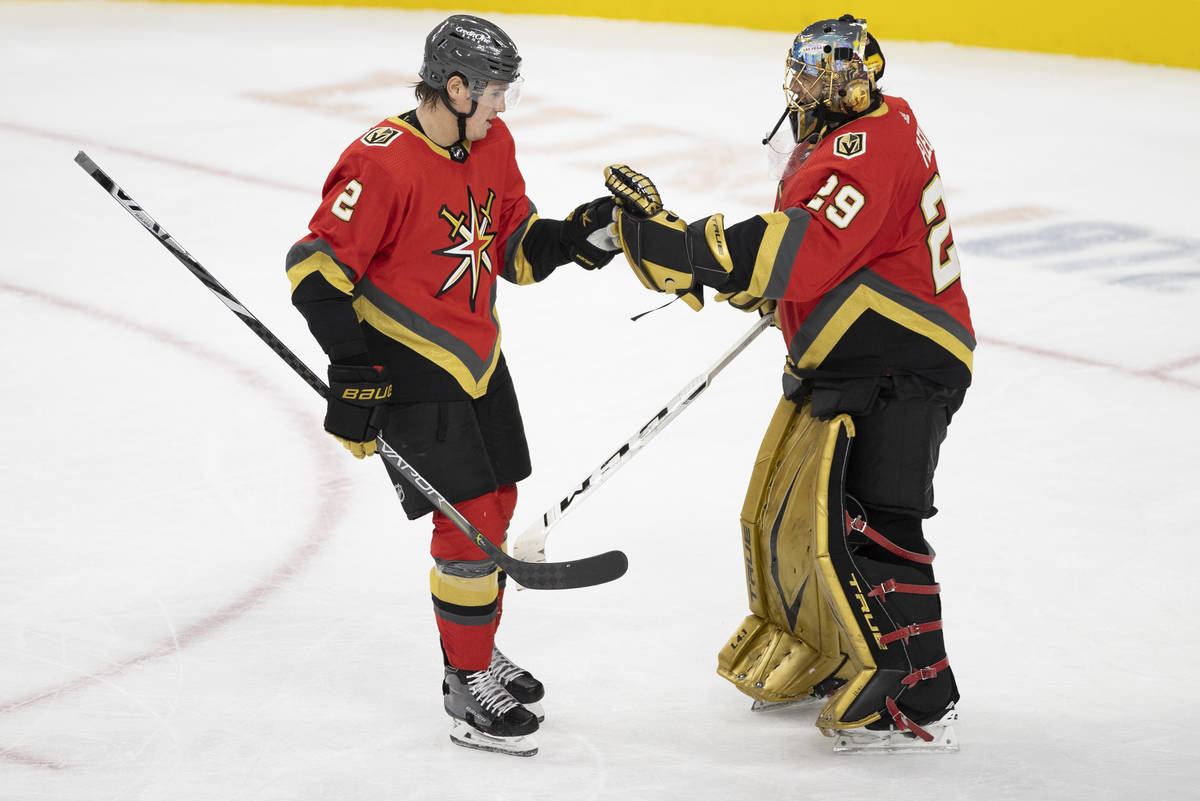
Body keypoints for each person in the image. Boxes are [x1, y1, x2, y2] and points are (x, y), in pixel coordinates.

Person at [604, 15, 973, 750]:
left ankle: (917, 686)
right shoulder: (861, 133)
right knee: (815, 520)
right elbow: (796, 271)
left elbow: (799, 251)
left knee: (881, 524)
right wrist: (694, 259)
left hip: (904, 355)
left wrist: (690, 246)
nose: (804, 90)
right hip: (864, 354)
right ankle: (847, 653)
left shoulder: (869, 146)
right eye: (806, 76)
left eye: (817, 78)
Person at [285, 14, 619, 757]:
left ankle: (473, 647)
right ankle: (466, 685)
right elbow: (314, 272)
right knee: (465, 523)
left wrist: (581, 235)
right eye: (497, 90)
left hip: (475, 353)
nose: (506, 104)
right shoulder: (381, 161)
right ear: (457, 87)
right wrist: (353, 367)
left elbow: (514, 251)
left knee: (497, 506)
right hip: (404, 358)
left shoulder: (492, 143)